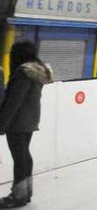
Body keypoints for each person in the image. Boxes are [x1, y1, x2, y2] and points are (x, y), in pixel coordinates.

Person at [0, 41, 54, 208]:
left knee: (20, 157)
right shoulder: (35, 72)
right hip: (29, 120)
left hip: (17, 122)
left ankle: (18, 196)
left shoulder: (23, 73)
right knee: (24, 155)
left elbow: (13, 102)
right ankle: (26, 192)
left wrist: (1, 124)